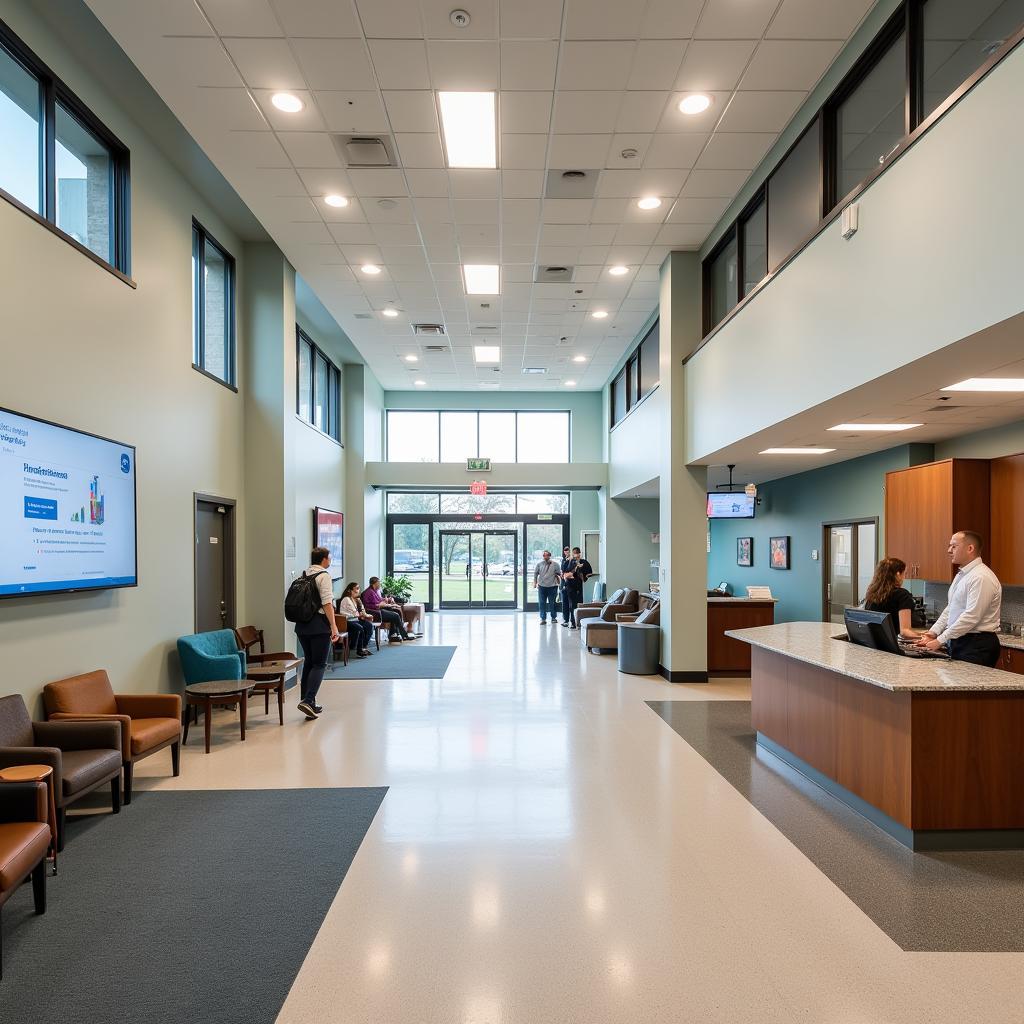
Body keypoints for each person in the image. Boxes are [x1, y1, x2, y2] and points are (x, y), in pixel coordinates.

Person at [914, 531, 1002, 666]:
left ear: (970, 548)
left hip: (977, 644)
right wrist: (933, 632)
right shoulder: (962, 574)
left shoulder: (981, 577)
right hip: (960, 641)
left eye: (954, 546)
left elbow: (971, 616)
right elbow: (951, 608)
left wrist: (941, 640)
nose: (949, 550)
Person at [294, 546, 341, 720]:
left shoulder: (304, 575)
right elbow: (327, 603)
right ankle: (308, 700)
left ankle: (308, 702)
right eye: (329, 558)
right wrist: (334, 626)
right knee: (320, 664)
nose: (330, 561)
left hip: (302, 626)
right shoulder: (323, 576)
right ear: (324, 559)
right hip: (318, 626)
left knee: (309, 662)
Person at [863, 557, 917, 638]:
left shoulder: (872, 593)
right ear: (898, 574)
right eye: (904, 574)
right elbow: (905, 631)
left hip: (875, 644)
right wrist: (922, 638)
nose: (904, 578)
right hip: (892, 646)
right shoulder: (903, 595)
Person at [362, 577, 417, 642]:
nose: (380, 584)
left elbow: (379, 600)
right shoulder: (368, 592)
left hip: (378, 610)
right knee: (395, 615)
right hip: (375, 613)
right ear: (375, 583)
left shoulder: (374, 591)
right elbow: (367, 606)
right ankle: (404, 635)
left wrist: (387, 600)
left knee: (396, 611)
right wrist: (379, 605)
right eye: (379, 583)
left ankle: (393, 634)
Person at [338, 581, 374, 657]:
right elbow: (342, 613)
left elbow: (362, 612)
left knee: (369, 626)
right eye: (356, 589)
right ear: (350, 590)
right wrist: (356, 615)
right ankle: (359, 650)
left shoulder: (357, 600)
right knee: (360, 628)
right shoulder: (346, 599)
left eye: (358, 589)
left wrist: (367, 615)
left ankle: (363, 647)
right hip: (348, 621)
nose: (358, 590)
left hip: (356, 620)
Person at [562, 546, 593, 630]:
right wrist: (575, 570)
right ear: (572, 553)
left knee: (579, 604)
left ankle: (579, 622)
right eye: (574, 553)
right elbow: (565, 575)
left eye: (578, 553)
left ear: (580, 553)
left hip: (579, 586)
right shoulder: (568, 562)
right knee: (572, 604)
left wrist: (581, 574)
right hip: (570, 586)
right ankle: (572, 622)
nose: (576, 555)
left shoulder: (584, 562)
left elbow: (588, 574)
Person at [533, 549, 561, 623]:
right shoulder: (539, 564)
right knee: (542, 603)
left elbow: (559, 574)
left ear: (550, 556)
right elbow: (535, 573)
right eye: (544, 555)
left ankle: (553, 617)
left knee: (552, 603)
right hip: (542, 587)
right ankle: (543, 618)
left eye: (547, 555)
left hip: (552, 587)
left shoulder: (555, 564)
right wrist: (535, 582)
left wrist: (557, 577)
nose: (545, 557)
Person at [558, 545, 572, 625]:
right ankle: (566, 620)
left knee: (571, 603)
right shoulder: (563, 560)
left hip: (571, 584)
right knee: (565, 603)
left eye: (568, 550)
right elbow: (562, 571)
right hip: (564, 584)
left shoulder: (572, 561)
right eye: (565, 550)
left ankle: (572, 620)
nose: (566, 552)